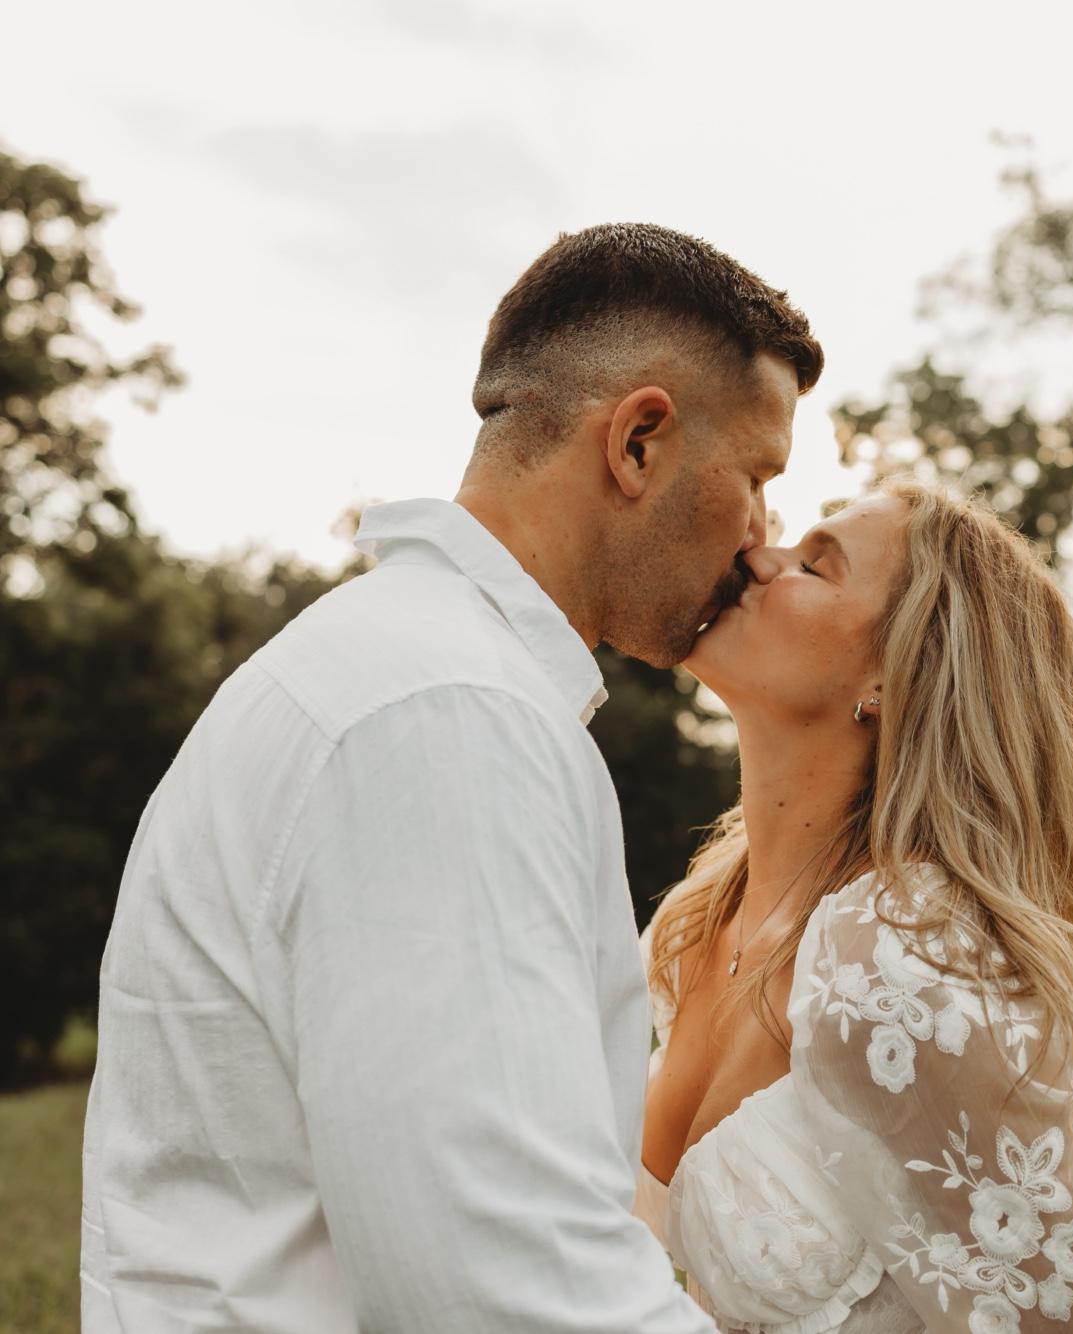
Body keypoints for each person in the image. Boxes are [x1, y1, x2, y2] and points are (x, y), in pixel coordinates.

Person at [80, 221, 822, 1332]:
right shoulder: (450, 714)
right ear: (638, 443)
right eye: (756, 475)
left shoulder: (395, 668)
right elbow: (504, 1284)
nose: (762, 534)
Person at [636, 480, 1073, 1331]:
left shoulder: (898, 952)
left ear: (894, 677)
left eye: (815, 565)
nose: (759, 557)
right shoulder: (693, 925)